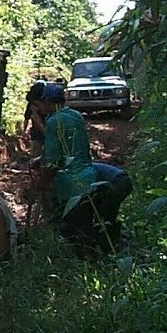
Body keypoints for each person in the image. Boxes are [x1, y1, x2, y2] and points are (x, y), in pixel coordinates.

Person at [29, 83, 98, 251]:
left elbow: (53, 162)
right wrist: (41, 158)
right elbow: (69, 146)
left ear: (47, 102)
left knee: (65, 227)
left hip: (68, 184)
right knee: (85, 227)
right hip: (89, 177)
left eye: (40, 104)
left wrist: (42, 183)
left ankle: (67, 258)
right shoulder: (76, 115)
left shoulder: (53, 121)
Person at [22, 81, 47, 160]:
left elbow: (26, 118)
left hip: (42, 133)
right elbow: (27, 118)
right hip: (38, 134)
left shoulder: (33, 105)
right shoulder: (47, 104)